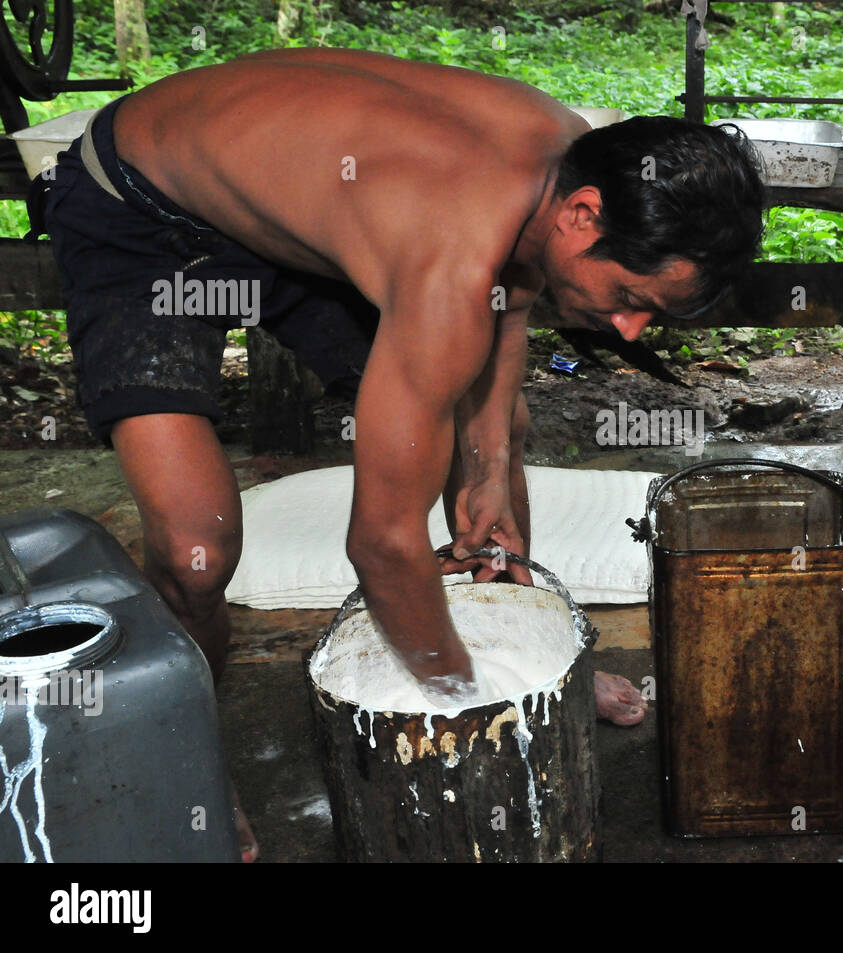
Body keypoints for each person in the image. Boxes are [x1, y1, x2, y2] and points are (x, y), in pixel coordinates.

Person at [29, 47, 767, 861]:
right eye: (629, 300)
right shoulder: (449, 254)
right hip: (139, 205)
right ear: (583, 216)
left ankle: (528, 650)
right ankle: (191, 777)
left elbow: (510, 310)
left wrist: (487, 473)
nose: (628, 330)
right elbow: (379, 544)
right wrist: (476, 704)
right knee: (195, 550)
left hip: (297, 215)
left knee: (494, 422)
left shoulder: (568, 162)